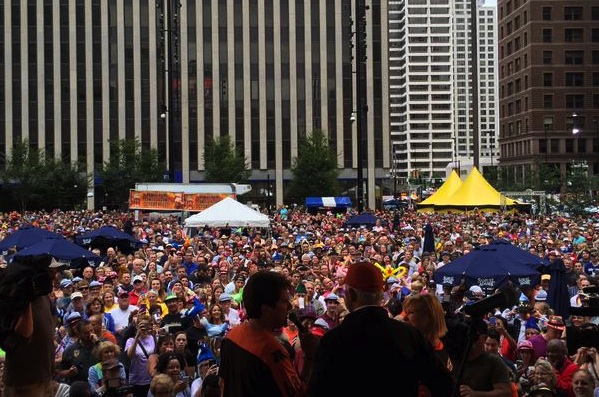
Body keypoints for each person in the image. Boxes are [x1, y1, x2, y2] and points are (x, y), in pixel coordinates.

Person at [308, 261, 454, 396]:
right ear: (380, 296)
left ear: (350, 295)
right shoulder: (409, 335)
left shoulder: (332, 340)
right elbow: (444, 383)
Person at [219, 270, 319, 396]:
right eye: (284, 301)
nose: (289, 306)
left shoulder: (232, 336)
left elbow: (223, 384)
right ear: (266, 309)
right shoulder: (272, 351)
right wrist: (309, 356)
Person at [2, 259, 61, 397]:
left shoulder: (44, 295)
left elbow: (51, 324)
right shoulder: (14, 294)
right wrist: (27, 296)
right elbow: (23, 335)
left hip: (46, 375)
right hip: (26, 380)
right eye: (50, 270)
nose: (55, 274)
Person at [456, 318, 513, 397]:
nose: (471, 343)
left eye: (475, 339)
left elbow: (506, 392)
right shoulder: (456, 358)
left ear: (483, 338)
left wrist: (476, 394)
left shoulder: (493, 361)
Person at [124, 315, 155, 397]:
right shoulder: (130, 341)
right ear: (137, 326)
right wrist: (137, 337)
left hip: (150, 378)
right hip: (136, 380)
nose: (144, 328)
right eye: (141, 325)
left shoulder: (152, 338)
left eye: (146, 325)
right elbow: (130, 355)